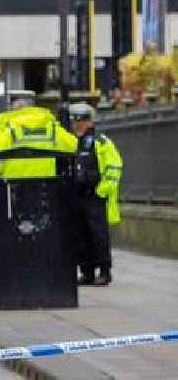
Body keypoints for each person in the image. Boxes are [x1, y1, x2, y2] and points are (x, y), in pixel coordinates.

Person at [69, 102, 123, 286]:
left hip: (95, 196)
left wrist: (102, 190)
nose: (77, 124)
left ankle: (104, 271)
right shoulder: (71, 142)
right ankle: (87, 271)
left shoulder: (101, 141)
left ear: (90, 122)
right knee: (80, 235)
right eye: (75, 120)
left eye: (82, 120)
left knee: (98, 235)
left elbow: (114, 166)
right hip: (78, 196)